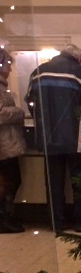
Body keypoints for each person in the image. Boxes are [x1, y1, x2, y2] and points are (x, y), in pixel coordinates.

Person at [25, 44, 81, 232]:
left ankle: (57, 223)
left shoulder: (38, 73)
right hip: (76, 139)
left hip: (48, 138)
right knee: (80, 183)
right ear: (78, 58)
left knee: (53, 184)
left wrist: (43, 122)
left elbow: (30, 101)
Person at [0, 48, 27, 234]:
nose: (10, 69)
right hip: (4, 145)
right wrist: (19, 112)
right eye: (8, 64)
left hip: (6, 144)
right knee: (9, 181)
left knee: (10, 181)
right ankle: (4, 219)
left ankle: (6, 217)